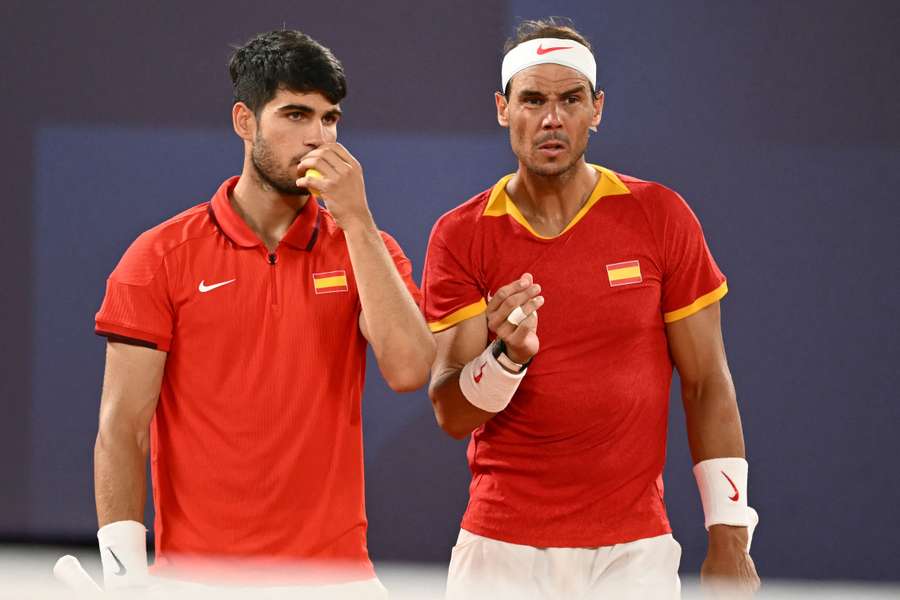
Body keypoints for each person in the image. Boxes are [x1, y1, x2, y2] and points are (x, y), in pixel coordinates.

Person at [422, 18, 759, 599]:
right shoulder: (461, 234)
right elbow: (452, 413)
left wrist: (730, 537)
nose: (551, 119)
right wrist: (506, 358)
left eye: (570, 100)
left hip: (634, 556)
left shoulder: (660, 216)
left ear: (596, 109)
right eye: (532, 100)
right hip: (500, 552)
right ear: (504, 109)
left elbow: (707, 383)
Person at [92, 29, 434, 596]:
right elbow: (122, 428)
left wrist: (357, 221)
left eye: (329, 119)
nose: (317, 139)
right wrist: (122, 576)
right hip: (198, 581)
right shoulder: (157, 258)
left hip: (337, 578)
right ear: (244, 121)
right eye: (296, 115)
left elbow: (409, 369)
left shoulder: (366, 246)